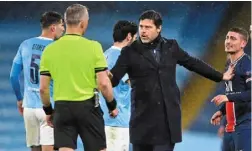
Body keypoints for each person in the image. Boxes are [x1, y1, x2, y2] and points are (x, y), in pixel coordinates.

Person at [109, 10, 234, 151]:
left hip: (167, 121)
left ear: (159, 28)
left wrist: (220, 76)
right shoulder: (130, 51)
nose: (143, 31)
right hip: (142, 121)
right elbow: (114, 78)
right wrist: (103, 78)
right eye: (141, 27)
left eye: (148, 27)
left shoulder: (171, 47)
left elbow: (192, 63)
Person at [39, 4, 118, 151]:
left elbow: (43, 88)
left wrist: (49, 111)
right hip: (88, 108)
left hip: (62, 108)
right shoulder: (93, 47)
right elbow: (104, 84)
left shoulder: (50, 50)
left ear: (66, 21)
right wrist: (112, 105)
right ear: (83, 22)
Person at [9, 11, 65, 151]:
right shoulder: (58, 48)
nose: (63, 29)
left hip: (29, 108)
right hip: (48, 106)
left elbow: (13, 76)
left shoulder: (25, 44)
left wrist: (19, 99)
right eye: (62, 25)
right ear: (53, 27)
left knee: (35, 148)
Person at [99, 20, 137, 151]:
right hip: (117, 120)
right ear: (129, 37)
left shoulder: (104, 55)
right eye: (135, 38)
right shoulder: (123, 58)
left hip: (102, 119)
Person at [211, 27, 251, 151]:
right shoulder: (229, 64)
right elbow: (232, 92)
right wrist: (222, 111)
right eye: (227, 38)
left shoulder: (247, 64)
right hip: (230, 125)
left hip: (245, 125)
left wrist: (227, 97)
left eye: (233, 38)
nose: (228, 41)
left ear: (243, 43)